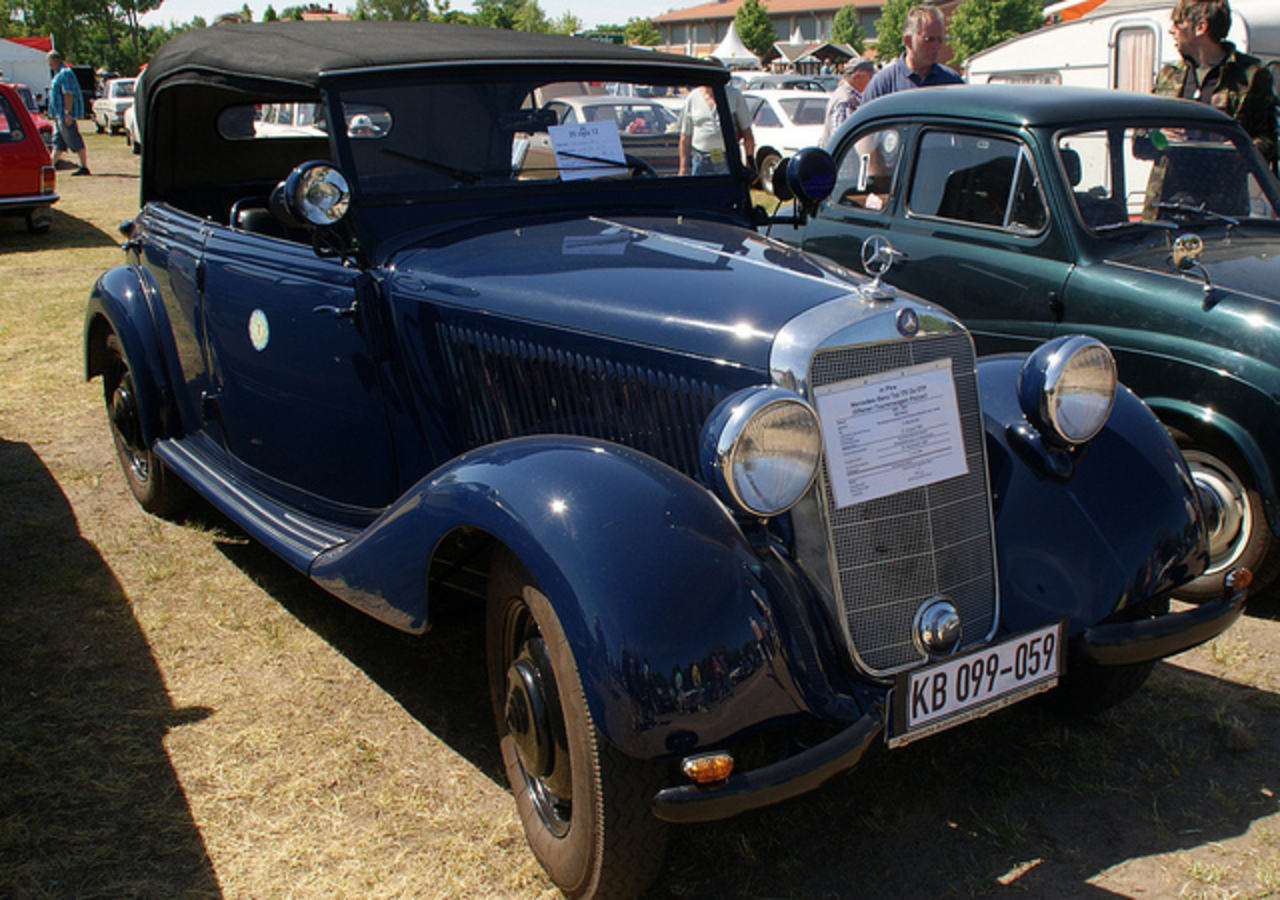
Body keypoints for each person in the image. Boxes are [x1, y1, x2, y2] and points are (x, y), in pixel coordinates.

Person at [1153, 0, 1277, 170]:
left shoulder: (1251, 74)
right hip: (1170, 184)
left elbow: (1270, 140)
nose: (1171, 29)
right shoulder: (1169, 74)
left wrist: (1243, 149)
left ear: (1201, 27)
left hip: (1222, 183)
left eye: (1178, 22)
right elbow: (1140, 141)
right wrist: (1159, 136)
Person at [860, 5, 963, 105]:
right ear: (908, 40)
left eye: (940, 39)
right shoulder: (884, 85)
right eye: (929, 39)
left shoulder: (952, 82)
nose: (937, 46)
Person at [677, 84, 755, 176]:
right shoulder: (692, 98)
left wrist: (749, 163)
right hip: (701, 162)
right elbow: (685, 137)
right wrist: (683, 168)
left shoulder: (734, 95)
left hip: (729, 160)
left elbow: (747, 133)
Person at [47, 49, 89, 175]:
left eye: (49, 61)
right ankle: (49, 166)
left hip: (64, 114)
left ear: (54, 60)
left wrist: (67, 113)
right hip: (58, 115)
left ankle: (84, 167)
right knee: (58, 143)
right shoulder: (58, 73)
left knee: (73, 138)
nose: (49, 64)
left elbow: (68, 93)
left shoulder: (65, 73)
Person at [821, 58, 876, 145]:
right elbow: (839, 138)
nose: (872, 81)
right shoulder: (845, 101)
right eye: (870, 77)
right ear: (858, 76)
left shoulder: (848, 96)